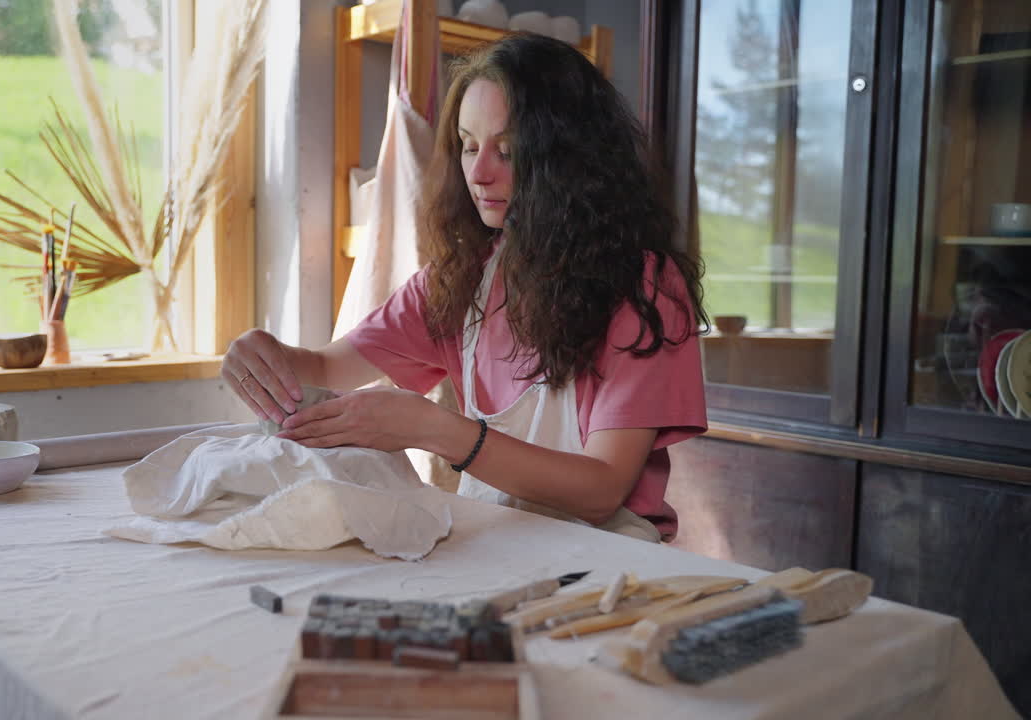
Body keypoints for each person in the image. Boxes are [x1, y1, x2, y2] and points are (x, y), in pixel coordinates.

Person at [222, 33, 707, 542]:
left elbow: (602, 489)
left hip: (611, 558)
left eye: (507, 150)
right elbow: (325, 368)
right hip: (498, 543)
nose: (478, 172)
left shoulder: (645, 286)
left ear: (570, 159)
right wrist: (264, 357)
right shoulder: (461, 279)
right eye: (469, 145)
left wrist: (434, 428)